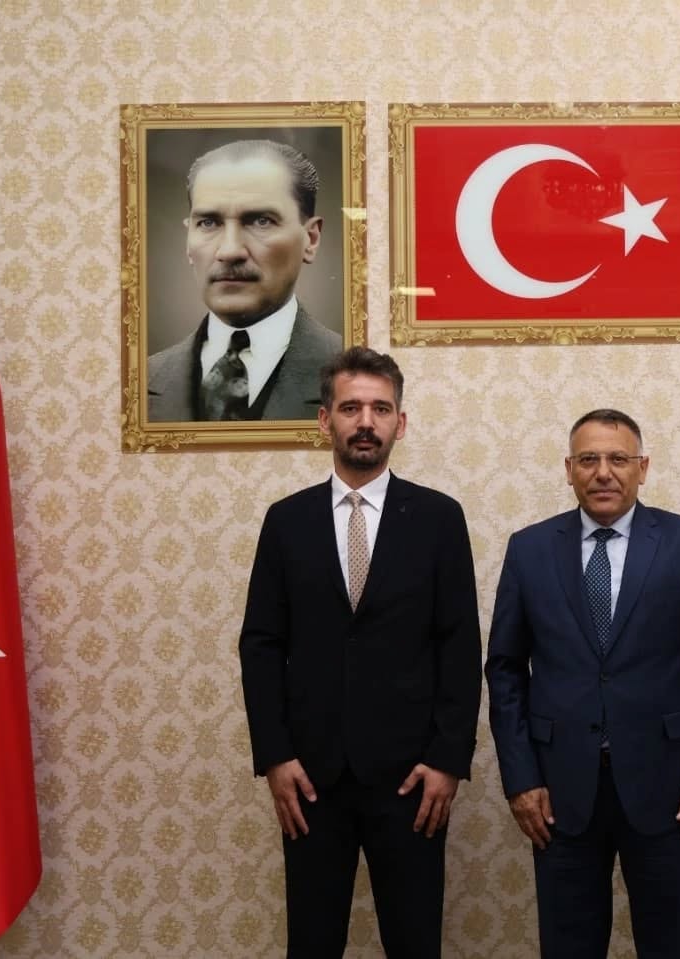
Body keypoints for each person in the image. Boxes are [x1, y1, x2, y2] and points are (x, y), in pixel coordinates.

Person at [238, 347, 481, 957]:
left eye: (380, 408)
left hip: (412, 780)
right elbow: (261, 645)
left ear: (401, 422)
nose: (366, 422)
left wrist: (447, 760)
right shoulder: (286, 521)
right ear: (325, 421)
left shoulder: (439, 519)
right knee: (312, 943)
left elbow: (459, 645)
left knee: (415, 942)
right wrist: (275, 756)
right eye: (351, 408)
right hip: (309, 779)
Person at [484, 409, 680, 959]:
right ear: (569, 470)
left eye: (618, 459)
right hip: (559, 794)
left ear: (642, 468)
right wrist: (520, 779)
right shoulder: (529, 549)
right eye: (589, 459)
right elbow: (504, 672)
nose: (603, 472)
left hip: (672, 791)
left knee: (671, 946)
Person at [147, 138, 343, 422]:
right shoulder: (137, 382)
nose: (229, 251)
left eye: (261, 221)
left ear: (310, 240)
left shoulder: (355, 375)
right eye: (208, 223)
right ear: (189, 242)